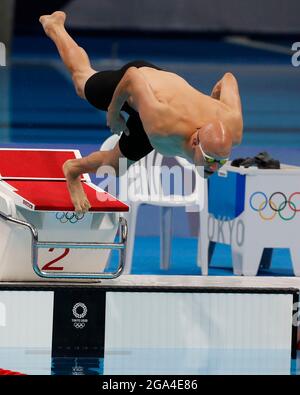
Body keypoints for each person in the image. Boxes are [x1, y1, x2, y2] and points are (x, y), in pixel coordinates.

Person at [39, 11, 243, 213]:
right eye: (210, 159)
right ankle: (55, 26)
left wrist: (214, 98)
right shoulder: (162, 124)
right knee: (82, 83)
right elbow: (132, 77)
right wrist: (112, 111)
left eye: (220, 161)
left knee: (115, 167)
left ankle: (73, 169)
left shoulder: (232, 130)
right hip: (139, 84)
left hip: (158, 103)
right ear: (195, 141)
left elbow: (228, 78)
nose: (215, 168)